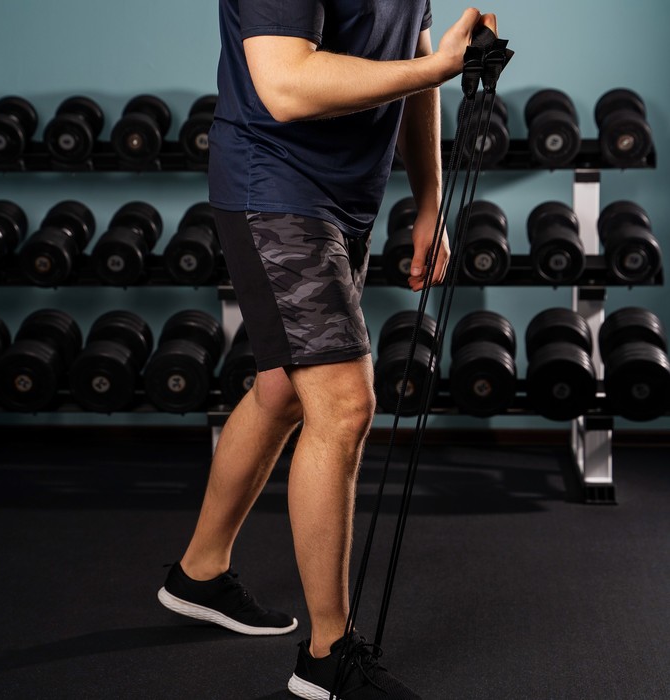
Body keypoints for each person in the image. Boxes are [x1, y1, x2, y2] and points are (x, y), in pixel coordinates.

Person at [158, 2, 497, 698]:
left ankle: (199, 573)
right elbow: (285, 84)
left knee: (285, 388)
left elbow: (417, 57)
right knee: (343, 405)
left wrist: (429, 199)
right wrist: (439, 67)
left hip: (347, 198)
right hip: (273, 188)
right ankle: (327, 660)